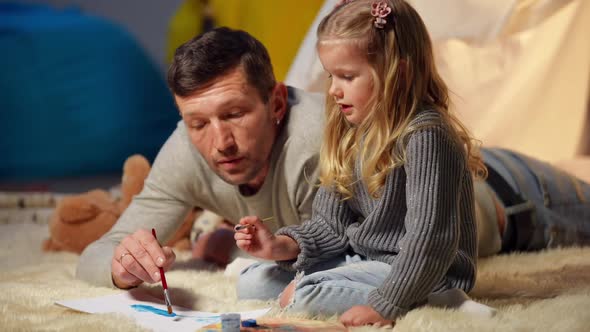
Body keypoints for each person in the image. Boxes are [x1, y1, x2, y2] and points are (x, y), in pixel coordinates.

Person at [234, 0, 590, 327]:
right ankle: (331, 285)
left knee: (304, 293)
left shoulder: (426, 136)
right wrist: (280, 246)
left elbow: (429, 237)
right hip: (369, 261)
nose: (333, 91)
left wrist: (386, 304)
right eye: (331, 76)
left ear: (397, 72)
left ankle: (441, 300)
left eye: (347, 76)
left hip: (429, 269)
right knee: (252, 280)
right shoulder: (351, 131)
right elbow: (331, 226)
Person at [76, 27, 326, 289]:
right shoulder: (185, 149)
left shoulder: (316, 140)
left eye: (234, 114)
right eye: (198, 123)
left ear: (276, 103)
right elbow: (96, 256)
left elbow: (335, 256)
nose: (221, 143)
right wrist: (123, 267)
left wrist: (231, 247)